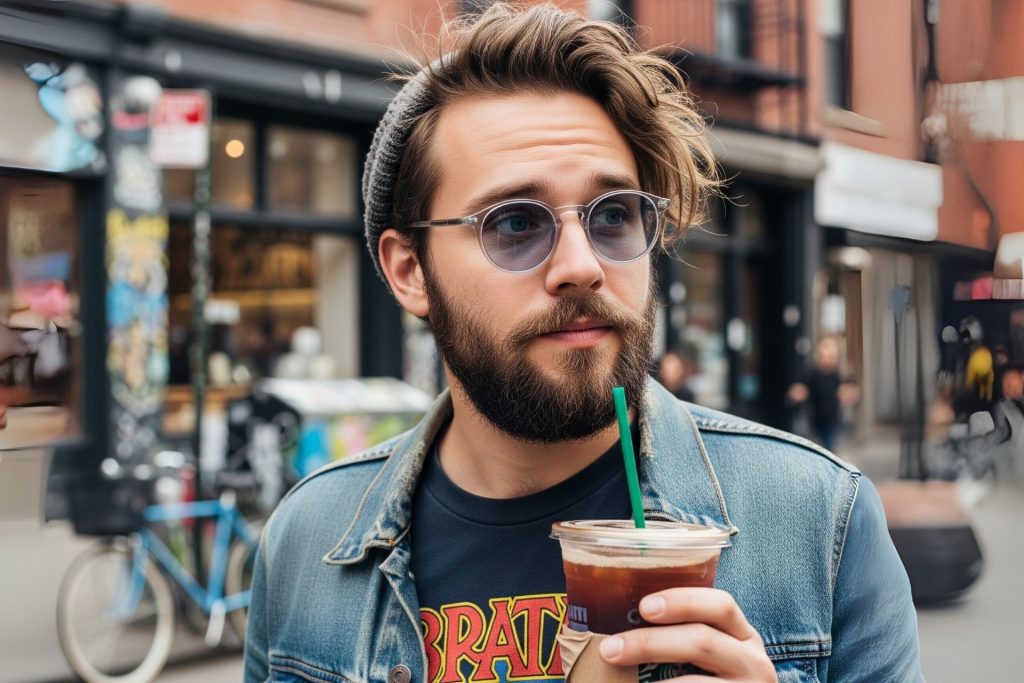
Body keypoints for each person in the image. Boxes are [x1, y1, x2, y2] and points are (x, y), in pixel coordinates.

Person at [245, 5, 922, 682]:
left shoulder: (819, 523)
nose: (582, 264)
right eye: (514, 223)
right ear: (408, 270)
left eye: (614, 215)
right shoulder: (308, 541)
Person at [787, 337, 858, 452]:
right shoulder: (812, 374)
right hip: (815, 419)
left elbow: (850, 391)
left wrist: (848, 394)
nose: (826, 360)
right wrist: (798, 393)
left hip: (833, 419)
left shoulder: (838, 375)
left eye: (829, 356)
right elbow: (801, 389)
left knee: (829, 446)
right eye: (823, 356)